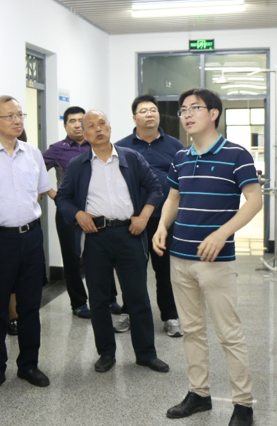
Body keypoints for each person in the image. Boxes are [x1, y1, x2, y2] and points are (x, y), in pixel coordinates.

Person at [152, 88, 262, 426]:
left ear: (213, 113)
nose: (187, 114)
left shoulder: (236, 154)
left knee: (229, 334)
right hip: (179, 257)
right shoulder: (181, 156)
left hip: (216, 262)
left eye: (195, 108)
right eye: (183, 109)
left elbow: (255, 201)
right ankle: (199, 393)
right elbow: (173, 198)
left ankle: (243, 404)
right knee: (192, 330)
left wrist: (221, 233)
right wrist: (162, 226)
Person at [55, 110, 169, 374]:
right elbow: (63, 198)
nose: (98, 129)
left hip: (130, 233)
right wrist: (78, 214)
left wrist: (144, 216)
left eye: (102, 123)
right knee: (98, 299)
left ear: (110, 127)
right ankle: (106, 353)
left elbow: (155, 188)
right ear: (84, 133)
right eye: (91, 126)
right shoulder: (79, 164)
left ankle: (146, 354)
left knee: (138, 297)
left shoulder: (131, 158)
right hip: (96, 237)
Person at [0, 95, 53, 395]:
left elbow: (38, 193)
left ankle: (28, 364)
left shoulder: (32, 153)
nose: (17, 121)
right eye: (10, 116)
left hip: (30, 237)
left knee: (29, 306)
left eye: (20, 115)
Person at [116, 94, 184, 338]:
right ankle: (128, 312)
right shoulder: (121, 147)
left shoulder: (175, 146)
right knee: (132, 269)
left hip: (165, 219)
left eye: (153, 110)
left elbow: (183, 181)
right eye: (143, 111)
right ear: (134, 118)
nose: (149, 114)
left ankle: (170, 316)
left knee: (165, 270)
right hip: (133, 220)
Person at [43, 106, 93, 318]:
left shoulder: (97, 145)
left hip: (96, 210)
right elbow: (34, 172)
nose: (77, 125)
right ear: (65, 125)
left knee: (100, 256)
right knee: (72, 258)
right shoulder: (57, 149)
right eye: (72, 121)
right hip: (68, 211)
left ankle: (108, 299)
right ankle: (79, 303)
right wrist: (52, 193)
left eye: (81, 120)